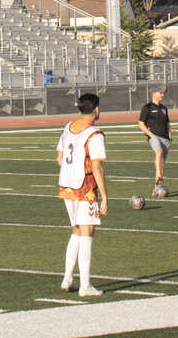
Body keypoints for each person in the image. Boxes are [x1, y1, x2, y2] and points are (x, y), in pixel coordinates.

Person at [57, 92, 108, 297]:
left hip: (67, 186)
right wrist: (104, 196)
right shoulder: (94, 133)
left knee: (76, 231)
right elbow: (97, 168)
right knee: (87, 233)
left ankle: (68, 278)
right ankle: (85, 286)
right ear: (96, 109)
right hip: (85, 188)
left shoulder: (68, 127)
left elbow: (59, 158)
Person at [137, 88, 172, 192]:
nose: (162, 95)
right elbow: (141, 124)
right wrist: (151, 135)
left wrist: (170, 134)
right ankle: (159, 176)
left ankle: (157, 188)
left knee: (162, 163)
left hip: (165, 138)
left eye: (163, 93)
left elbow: (167, 123)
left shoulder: (164, 108)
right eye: (160, 93)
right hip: (154, 136)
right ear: (153, 94)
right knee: (159, 151)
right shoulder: (147, 107)